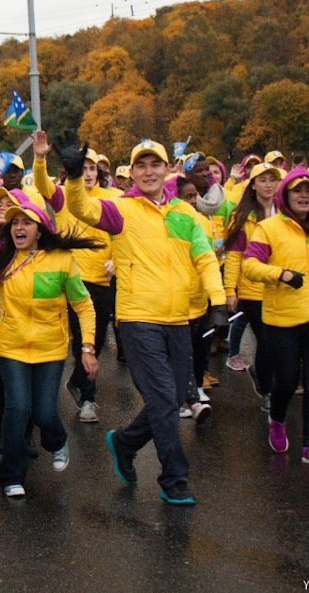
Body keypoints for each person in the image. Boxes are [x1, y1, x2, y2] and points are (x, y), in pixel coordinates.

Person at [64, 138, 224, 505]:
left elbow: (204, 259)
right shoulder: (122, 210)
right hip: (137, 319)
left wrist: (217, 302)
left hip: (179, 319)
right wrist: (74, 177)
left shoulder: (185, 214)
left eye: (156, 165)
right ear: (132, 172)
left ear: (168, 170)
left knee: (165, 399)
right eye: (142, 165)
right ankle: (174, 479)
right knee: (166, 398)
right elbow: (81, 208)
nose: (149, 172)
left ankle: (125, 441)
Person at [0, 171, 99, 497]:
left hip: (50, 349)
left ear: (40, 229)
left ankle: (57, 441)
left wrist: (87, 346)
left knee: (43, 412)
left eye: (26, 222)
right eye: (14, 223)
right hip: (11, 346)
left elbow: (84, 306)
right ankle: (12, 476)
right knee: (17, 409)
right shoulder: (2, 255)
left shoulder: (61, 261)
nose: (18, 228)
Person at [243, 168, 309, 467]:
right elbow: (250, 266)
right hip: (283, 319)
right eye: (298, 191)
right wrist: (280, 274)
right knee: (286, 382)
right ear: (286, 195)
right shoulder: (268, 228)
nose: (304, 196)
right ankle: (278, 419)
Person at [32, 131, 111, 424]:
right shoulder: (63, 196)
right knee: (79, 342)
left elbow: (121, 231)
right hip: (69, 279)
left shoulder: (111, 198)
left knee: (97, 341)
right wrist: (40, 158)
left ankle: (78, 382)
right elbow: (41, 184)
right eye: (83, 168)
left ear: (99, 172)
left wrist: (116, 258)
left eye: (92, 168)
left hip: (101, 280)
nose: (88, 173)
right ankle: (88, 400)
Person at [222, 163, 283, 411]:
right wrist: (229, 290)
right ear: (253, 184)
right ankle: (268, 390)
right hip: (252, 288)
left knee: (277, 341)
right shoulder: (242, 216)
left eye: (273, 180)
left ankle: (261, 372)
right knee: (265, 339)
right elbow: (234, 256)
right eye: (263, 180)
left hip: (280, 285)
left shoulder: (285, 213)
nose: (268, 185)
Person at [173, 177, 215, 424]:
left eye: (194, 197)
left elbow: (207, 258)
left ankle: (195, 388)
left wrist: (216, 295)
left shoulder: (202, 222)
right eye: (186, 197)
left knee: (199, 349)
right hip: (179, 302)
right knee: (181, 353)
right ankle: (182, 398)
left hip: (200, 299)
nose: (192, 201)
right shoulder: (172, 221)